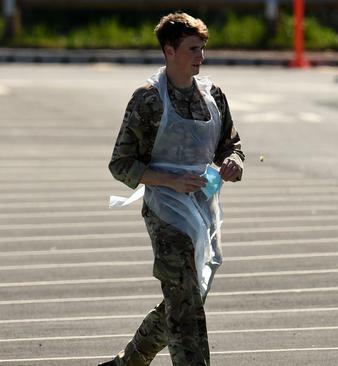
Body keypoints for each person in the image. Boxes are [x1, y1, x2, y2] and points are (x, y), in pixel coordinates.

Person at [102, 12, 245, 366]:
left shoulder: (212, 96)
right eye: (192, 49)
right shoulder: (147, 100)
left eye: (202, 48)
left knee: (187, 297)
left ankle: (129, 362)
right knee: (185, 301)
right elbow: (120, 164)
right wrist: (170, 180)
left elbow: (231, 144)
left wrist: (234, 162)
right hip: (166, 211)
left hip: (204, 209)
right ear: (169, 50)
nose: (201, 56)